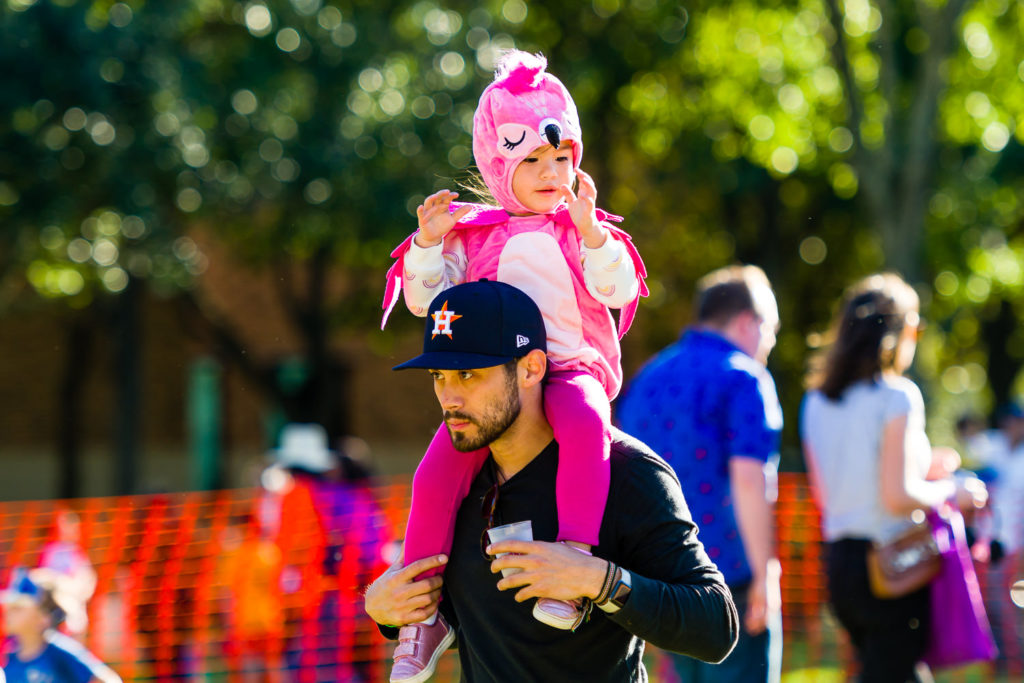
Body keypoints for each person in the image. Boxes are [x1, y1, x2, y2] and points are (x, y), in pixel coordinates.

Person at [378, 50, 647, 681]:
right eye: (532, 160)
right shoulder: (473, 235)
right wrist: (425, 245)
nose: (552, 173)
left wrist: (596, 235)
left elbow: (617, 291)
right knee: (433, 472)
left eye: (562, 158)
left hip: (570, 367)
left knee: (584, 426)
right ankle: (422, 617)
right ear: (498, 164)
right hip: (500, 386)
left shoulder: (576, 227)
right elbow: (428, 298)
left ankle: (571, 564)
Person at [365, 280, 738, 682]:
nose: (448, 397)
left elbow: (715, 627)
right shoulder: (452, 486)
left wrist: (598, 580)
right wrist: (385, 609)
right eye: (439, 375)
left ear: (531, 368)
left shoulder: (628, 472)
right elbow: (482, 620)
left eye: (468, 374)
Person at [800, 273, 989, 682]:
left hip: (839, 565)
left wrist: (925, 468)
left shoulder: (815, 402)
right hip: (890, 565)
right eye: (915, 327)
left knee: (890, 670)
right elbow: (897, 494)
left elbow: (831, 491)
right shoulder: (897, 395)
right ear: (896, 332)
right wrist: (953, 491)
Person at [617, 264, 784, 683]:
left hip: (659, 581)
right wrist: (767, 573)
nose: (772, 342)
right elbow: (749, 479)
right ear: (748, 321)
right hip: (732, 582)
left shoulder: (647, 378)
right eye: (772, 328)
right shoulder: (745, 377)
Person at [256, 423, 391, 683]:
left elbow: (289, 552)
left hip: (318, 598)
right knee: (346, 664)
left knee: (313, 667)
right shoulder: (355, 496)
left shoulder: (300, 496)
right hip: (362, 593)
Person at [1, 567, 121, 683]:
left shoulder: (58, 653)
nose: (8, 613)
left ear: (43, 619)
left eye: (17, 608)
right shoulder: (9, 658)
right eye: (9, 607)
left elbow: (109, 680)